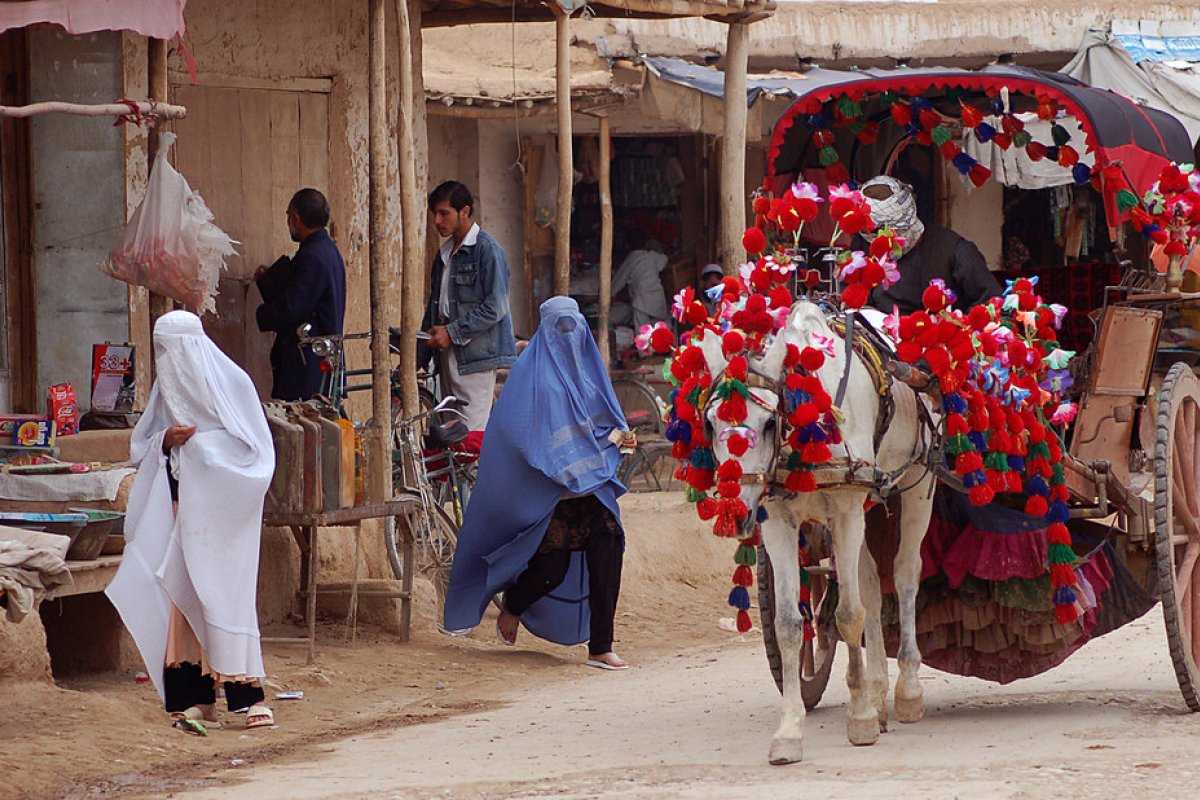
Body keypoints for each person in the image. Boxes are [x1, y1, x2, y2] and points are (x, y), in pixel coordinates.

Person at [106, 311, 276, 733]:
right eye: (161, 351)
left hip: (225, 524)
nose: (169, 360)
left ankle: (248, 696)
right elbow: (143, 446)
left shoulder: (233, 385)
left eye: (173, 350)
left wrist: (202, 451)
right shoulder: (167, 395)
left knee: (226, 598)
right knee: (184, 601)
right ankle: (195, 698)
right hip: (182, 518)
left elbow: (258, 457)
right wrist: (168, 441)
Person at [442, 296, 634, 670]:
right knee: (551, 570)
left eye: (574, 327)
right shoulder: (534, 382)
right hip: (552, 496)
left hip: (592, 491)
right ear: (546, 331)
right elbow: (528, 438)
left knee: (608, 554)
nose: (569, 335)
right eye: (561, 328)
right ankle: (513, 605)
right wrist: (592, 452)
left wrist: (621, 438)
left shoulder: (588, 371)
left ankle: (600, 646)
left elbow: (605, 422)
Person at [422, 181, 518, 433]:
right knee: (450, 431)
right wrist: (419, 355)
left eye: (444, 213)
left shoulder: (487, 251)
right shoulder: (443, 255)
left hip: (475, 355)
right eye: (435, 214)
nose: (437, 221)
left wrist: (452, 332)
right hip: (446, 353)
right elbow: (435, 307)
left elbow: (495, 308)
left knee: (470, 432)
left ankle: (480, 474)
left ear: (464, 212)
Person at [254, 188, 347, 401]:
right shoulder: (327, 251)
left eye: (288, 216)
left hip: (308, 364)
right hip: (319, 359)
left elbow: (294, 306)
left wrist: (263, 314)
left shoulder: (313, 256)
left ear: (296, 218)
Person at [860, 176, 1001, 314]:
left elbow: (991, 303)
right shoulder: (864, 251)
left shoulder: (956, 252)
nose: (883, 240)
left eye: (889, 232)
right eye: (874, 233)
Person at [611, 229, 669, 330]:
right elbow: (664, 259)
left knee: (642, 337)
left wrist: (610, 295)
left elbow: (617, 283)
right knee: (658, 335)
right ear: (646, 244)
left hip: (642, 303)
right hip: (658, 299)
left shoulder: (630, 259)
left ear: (627, 246)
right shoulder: (652, 256)